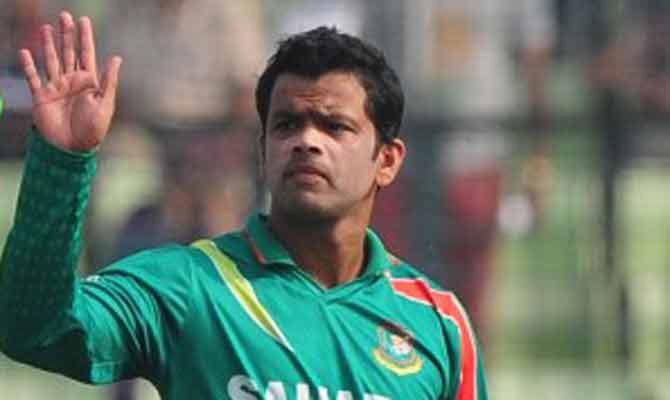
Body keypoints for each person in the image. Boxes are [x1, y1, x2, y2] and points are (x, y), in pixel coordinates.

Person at [0, 11, 488, 400]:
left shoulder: (437, 322)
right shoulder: (188, 285)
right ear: (262, 150)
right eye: (286, 125)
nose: (306, 141)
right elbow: (33, 329)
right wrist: (62, 163)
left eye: (334, 126)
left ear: (388, 160)